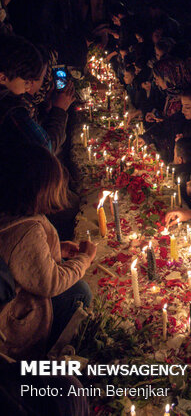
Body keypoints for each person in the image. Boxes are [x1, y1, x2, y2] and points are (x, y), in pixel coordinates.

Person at [0, 143, 96, 359]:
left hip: (16, 291)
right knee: (80, 292)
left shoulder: (11, 211)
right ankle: (51, 356)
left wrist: (57, 249)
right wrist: (84, 260)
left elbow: (21, 257)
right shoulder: (27, 231)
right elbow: (50, 283)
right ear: (41, 189)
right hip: (14, 318)